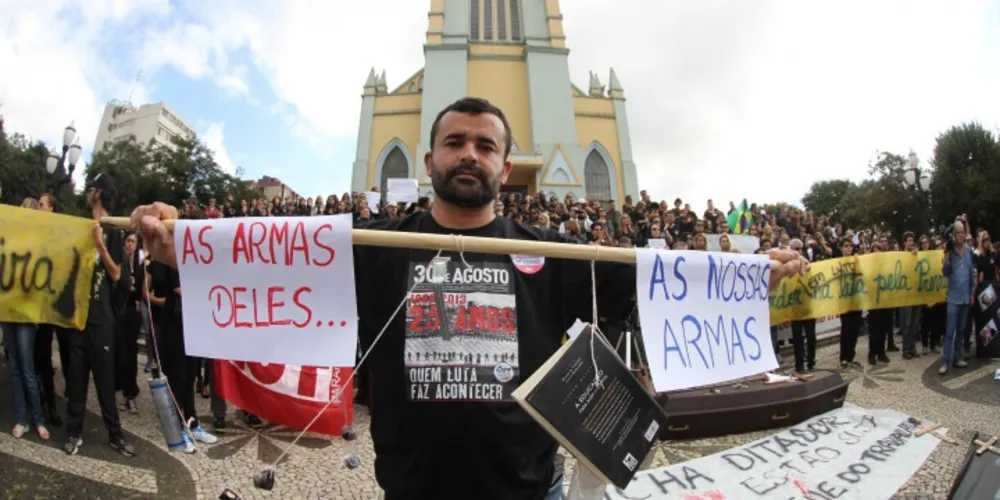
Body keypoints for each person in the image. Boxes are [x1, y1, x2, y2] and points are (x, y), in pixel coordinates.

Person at [130, 97, 808, 500]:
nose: (469, 154)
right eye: (454, 141)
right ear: (429, 161)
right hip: (413, 488)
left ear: (504, 168)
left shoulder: (558, 254)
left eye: (486, 146)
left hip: (528, 489)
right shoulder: (377, 246)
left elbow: (658, 281)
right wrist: (178, 244)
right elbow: (274, 264)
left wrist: (750, 275)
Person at [64, 173, 135, 456]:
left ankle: (115, 435)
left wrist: (100, 244)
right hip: (80, 319)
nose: (88, 192)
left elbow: (118, 274)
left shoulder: (113, 231)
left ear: (99, 194)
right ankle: (73, 433)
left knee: (105, 382)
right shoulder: (83, 227)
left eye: (92, 188)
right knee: (76, 380)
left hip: (102, 322)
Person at [3, 197, 49, 440]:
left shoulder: (38, 246)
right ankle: (22, 419)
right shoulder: (10, 243)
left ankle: (38, 419)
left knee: (27, 369)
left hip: (26, 313)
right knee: (15, 369)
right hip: (8, 312)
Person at [940, 219, 976, 375]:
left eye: (962, 232)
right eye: (958, 232)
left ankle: (958, 357)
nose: (961, 235)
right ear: (954, 235)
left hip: (965, 298)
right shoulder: (950, 251)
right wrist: (946, 260)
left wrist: (972, 292)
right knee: (949, 331)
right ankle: (945, 361)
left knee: (961, 330)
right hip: (953, 298)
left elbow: (971, 274)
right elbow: (945, 273)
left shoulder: (968, 251)